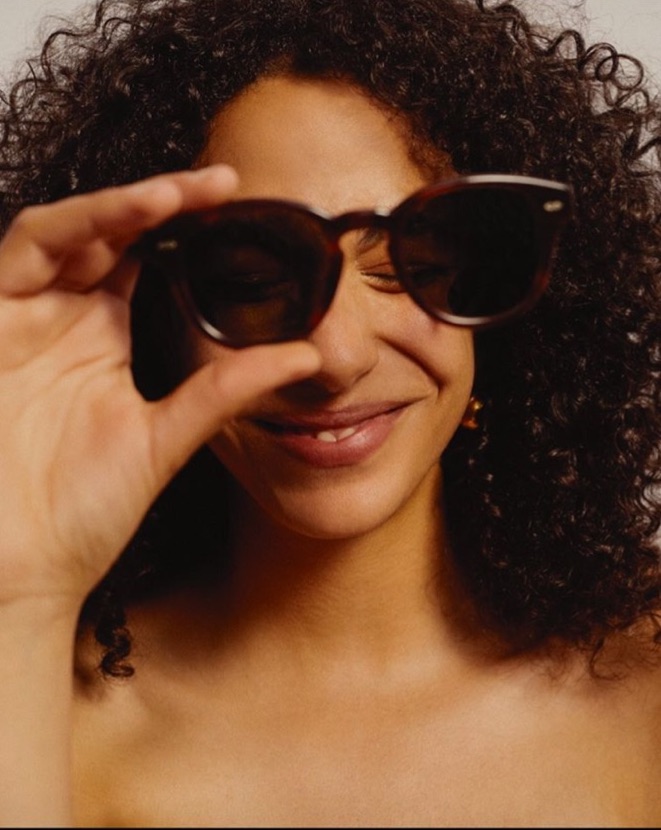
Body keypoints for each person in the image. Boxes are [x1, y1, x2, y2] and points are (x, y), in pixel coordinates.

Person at [0, 0, 659, 825]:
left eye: (406, 268)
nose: (337, 358)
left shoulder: (644, 694)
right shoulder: (44, 714)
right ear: (155, 321)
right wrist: (21, 598)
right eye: (251, 284)